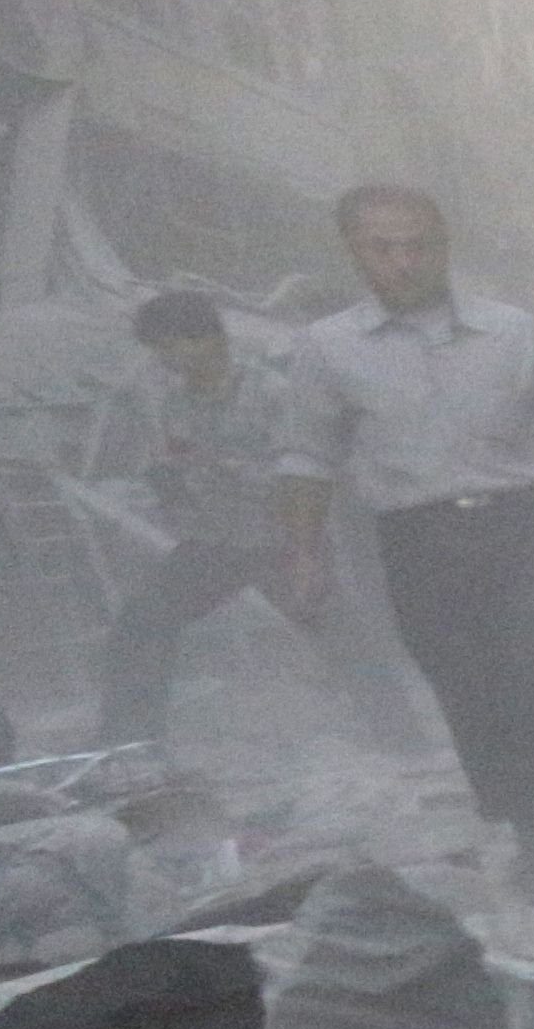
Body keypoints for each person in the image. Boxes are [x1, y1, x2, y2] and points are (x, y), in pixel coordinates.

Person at [276, 185, 534, 900]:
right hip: (417, 544)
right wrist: (304, 553)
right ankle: (516, 816)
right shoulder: (326, 350)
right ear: (354, 252)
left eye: (419, 245)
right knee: (469, 697)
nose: (403, 262)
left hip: (526, 532)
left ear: (444, 246)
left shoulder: (517, 333)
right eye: (382, 248)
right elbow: (308, 456)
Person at [91, 291, 406, 749]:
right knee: (143, 619)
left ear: (209, 339)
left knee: (338, 636)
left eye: (169, 346)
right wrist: (169, 486)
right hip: (216, 544)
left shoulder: (273, 395)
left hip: (284, 541)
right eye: (157, 349)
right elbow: (186, 477)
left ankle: (403, 738)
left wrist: (222, 469)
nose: (163, 360)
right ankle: (129, 748)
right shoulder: (176, 405)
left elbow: (302, 475)